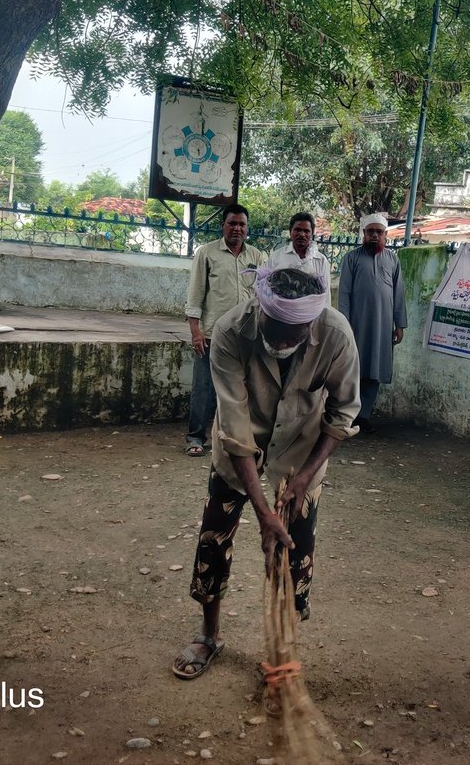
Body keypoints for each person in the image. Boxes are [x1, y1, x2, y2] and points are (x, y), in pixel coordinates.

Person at [172, 267, 360, 679]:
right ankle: (209, 635)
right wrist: (263, 513)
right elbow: (235, 427)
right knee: (214, 539)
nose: (283, 342)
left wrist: (304, 478)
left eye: (295, 334)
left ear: (311, 322)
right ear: (261, 308)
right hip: (237, 453)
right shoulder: (230, 331)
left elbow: (343, 413)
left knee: (295, 553)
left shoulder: (336, 335)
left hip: (300, 455)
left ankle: (281, 654)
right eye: (275, 329)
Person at [184, 203, 265, 457]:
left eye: (242, 224)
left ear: (247, 228)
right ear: (223, 226)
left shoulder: (257, 257)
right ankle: (196, 437)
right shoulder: (207, 253)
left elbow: (264, 295)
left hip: (247, 335)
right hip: (213, 334)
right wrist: (195, 331)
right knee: (203, 387)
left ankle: (235, 439)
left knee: (242, 390)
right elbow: (195, 294)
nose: (237, 228)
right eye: (232, 223)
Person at [337, 212, 406, 431]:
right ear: (364, 234)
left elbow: (398, 293)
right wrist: (345, 323)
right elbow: (344, 293)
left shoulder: (393, 260)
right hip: (357, 324)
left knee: (376, 368)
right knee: (353, 367)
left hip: (383, 326)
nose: (375, 236)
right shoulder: (351, 258)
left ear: (385, 235)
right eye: (370, 232)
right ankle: (347, 413)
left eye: (379, 232)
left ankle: (364, 415)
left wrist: (399, 324)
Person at [265, 211, 330, 285]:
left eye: (306, 231)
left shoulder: (321, 261)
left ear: (312, 234)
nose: (302, 234)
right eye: (298, 230)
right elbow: (265, 287)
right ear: (290, 232)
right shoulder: (276, 257)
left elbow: (326, 290)